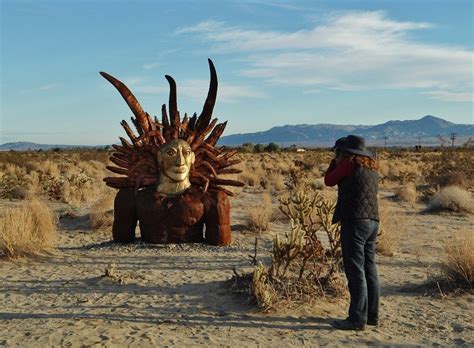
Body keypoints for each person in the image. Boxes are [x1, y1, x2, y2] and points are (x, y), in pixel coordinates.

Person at [324, 135, 380, 330]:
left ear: (346, 152)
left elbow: (329, 181)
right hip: (373, 222)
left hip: (354, 221)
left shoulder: (348, 165)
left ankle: (356, 319)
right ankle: (372, 315)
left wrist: (334, 160)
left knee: (355, 269)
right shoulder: (372, 168)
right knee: (369, 268)